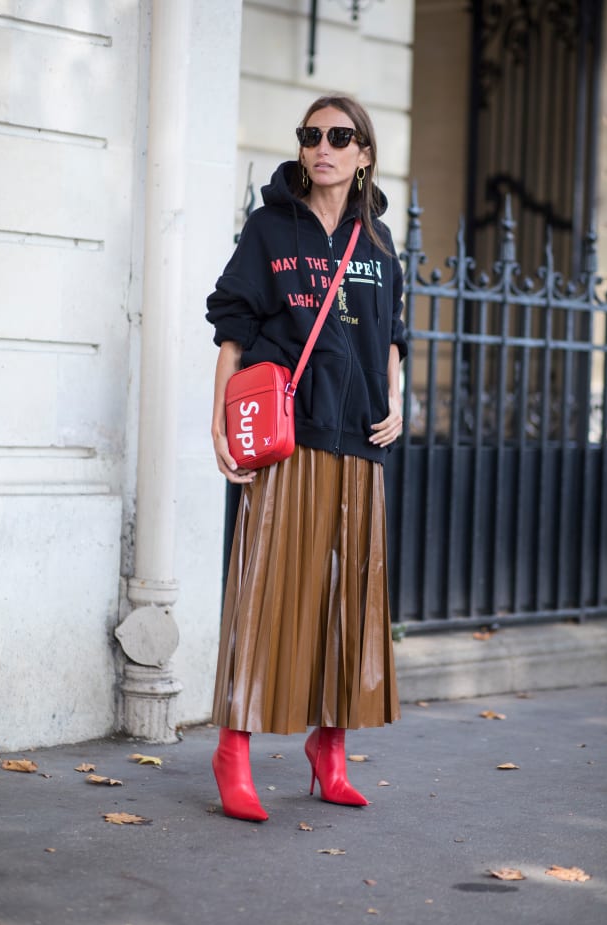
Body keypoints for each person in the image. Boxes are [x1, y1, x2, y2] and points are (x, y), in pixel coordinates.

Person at [206, 94, 406, 822]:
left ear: (363, 153)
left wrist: (398, 396)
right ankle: (234, 749)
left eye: (339, 136)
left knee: (347, 604)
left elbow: (389, 333)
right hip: (288, 439)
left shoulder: (378, 243)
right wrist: (219, 417)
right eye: (311, 135)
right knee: (265, 596)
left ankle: (331, 750)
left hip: (359, 442)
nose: (322, 146)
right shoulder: (269, 229)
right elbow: (234, 326)